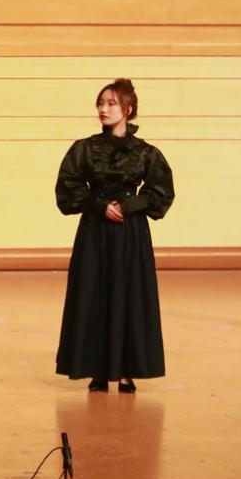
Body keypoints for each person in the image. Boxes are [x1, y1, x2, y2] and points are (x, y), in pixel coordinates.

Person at [55, 78, 175, 393]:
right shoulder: (84, 148)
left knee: (128, 296)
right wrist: (98, 205)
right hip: (94, 231)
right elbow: (67, 186)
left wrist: (131, 204)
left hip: (130, 233)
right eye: (101, 103)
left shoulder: (145, 152)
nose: (103, 109)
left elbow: (161, 191)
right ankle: (96, 369)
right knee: (92, 295)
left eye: (110, 104)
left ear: (127, 109)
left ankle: (125, 371)